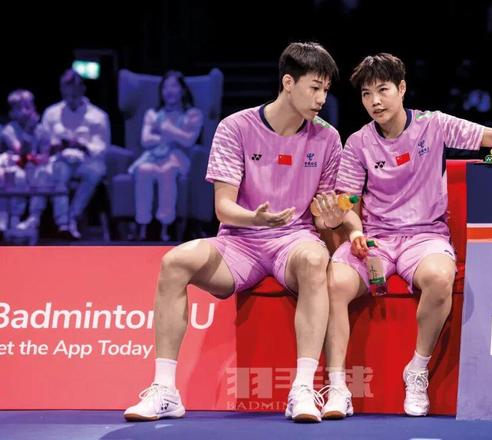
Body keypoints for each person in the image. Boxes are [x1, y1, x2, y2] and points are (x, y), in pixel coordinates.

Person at [320, 53, 492, 419]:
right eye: (366, 94)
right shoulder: (357, 143)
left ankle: (417, 370)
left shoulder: (433, 125)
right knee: (334, 282)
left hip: (424, 236)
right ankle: (338, 386)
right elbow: (348, 200)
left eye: (383, 90)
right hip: (376, 239)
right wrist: (355, 231)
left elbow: (489, 136)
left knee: (439, 277)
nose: (375, 101)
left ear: (402, 88)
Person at [123, 42, 341, 423]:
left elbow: (321, 217)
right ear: (288, 83)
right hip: (240, 242)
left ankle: (303, 389)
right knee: (174, 262)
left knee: (314, 258)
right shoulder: (235, 127)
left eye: (325, 89)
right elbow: (223, 207)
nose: (322, 98)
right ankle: (165, 390)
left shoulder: (328, 138)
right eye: (314, 87)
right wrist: (256, 220)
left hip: (293, 240)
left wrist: (331, 219)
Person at [128, 71, 203, 241]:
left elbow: (188, 140)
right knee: (143, 170)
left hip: (177, 157)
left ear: (183, 90)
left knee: (167, 171)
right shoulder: (153, 114)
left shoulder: (192, 114)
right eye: (165, 87)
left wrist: (164, 129)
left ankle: (165, 226)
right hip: (152, 157)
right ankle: (143, 225)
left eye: (174, 86)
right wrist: (173, 135)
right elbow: (146, 140)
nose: (169, 91)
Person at [41, 69, 111, 239]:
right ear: (61, 90)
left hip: (87, 160)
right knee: (59, 172)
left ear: (82, 89)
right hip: (61, 159)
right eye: (67, 91)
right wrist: (55, 145)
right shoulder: (51, 113)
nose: (71, 95)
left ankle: (72, 216)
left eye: (74, 90)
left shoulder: (98, 116)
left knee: (94, 173)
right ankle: (63, 223)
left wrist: (83, 145)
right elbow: (44, 141)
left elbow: (102, 147)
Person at [0, 89, 53, 232]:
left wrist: (36, 159)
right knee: (17, 176)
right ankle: (12, 219)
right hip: (15, 167)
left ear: (34, 108)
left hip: (35, 168)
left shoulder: (42, 129)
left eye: (28, 107)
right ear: (12, 112)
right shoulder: (9, 129)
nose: (24, 111)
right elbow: (20, 151)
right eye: (19, 108)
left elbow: (45, 155)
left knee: (44, 174)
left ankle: (34, 218)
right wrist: (28, 131)